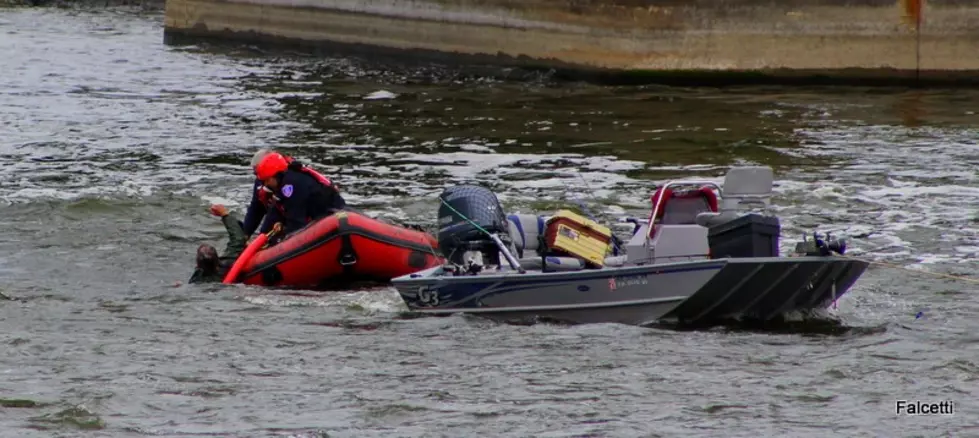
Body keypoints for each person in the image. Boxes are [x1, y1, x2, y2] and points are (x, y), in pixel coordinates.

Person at [241, 149, 344, 239]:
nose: (264, 184)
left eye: (266, 180)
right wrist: (257, 236)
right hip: (308, 218)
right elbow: (265, 210)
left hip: (329, 219)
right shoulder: (275, 181)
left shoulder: (292, 183)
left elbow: (296, 220)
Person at [188, 204, 250, 284]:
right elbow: (238, 239)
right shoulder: (228, 263)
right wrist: (225, 214)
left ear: (198, 264)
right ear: (217, 260)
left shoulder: (196, 280)